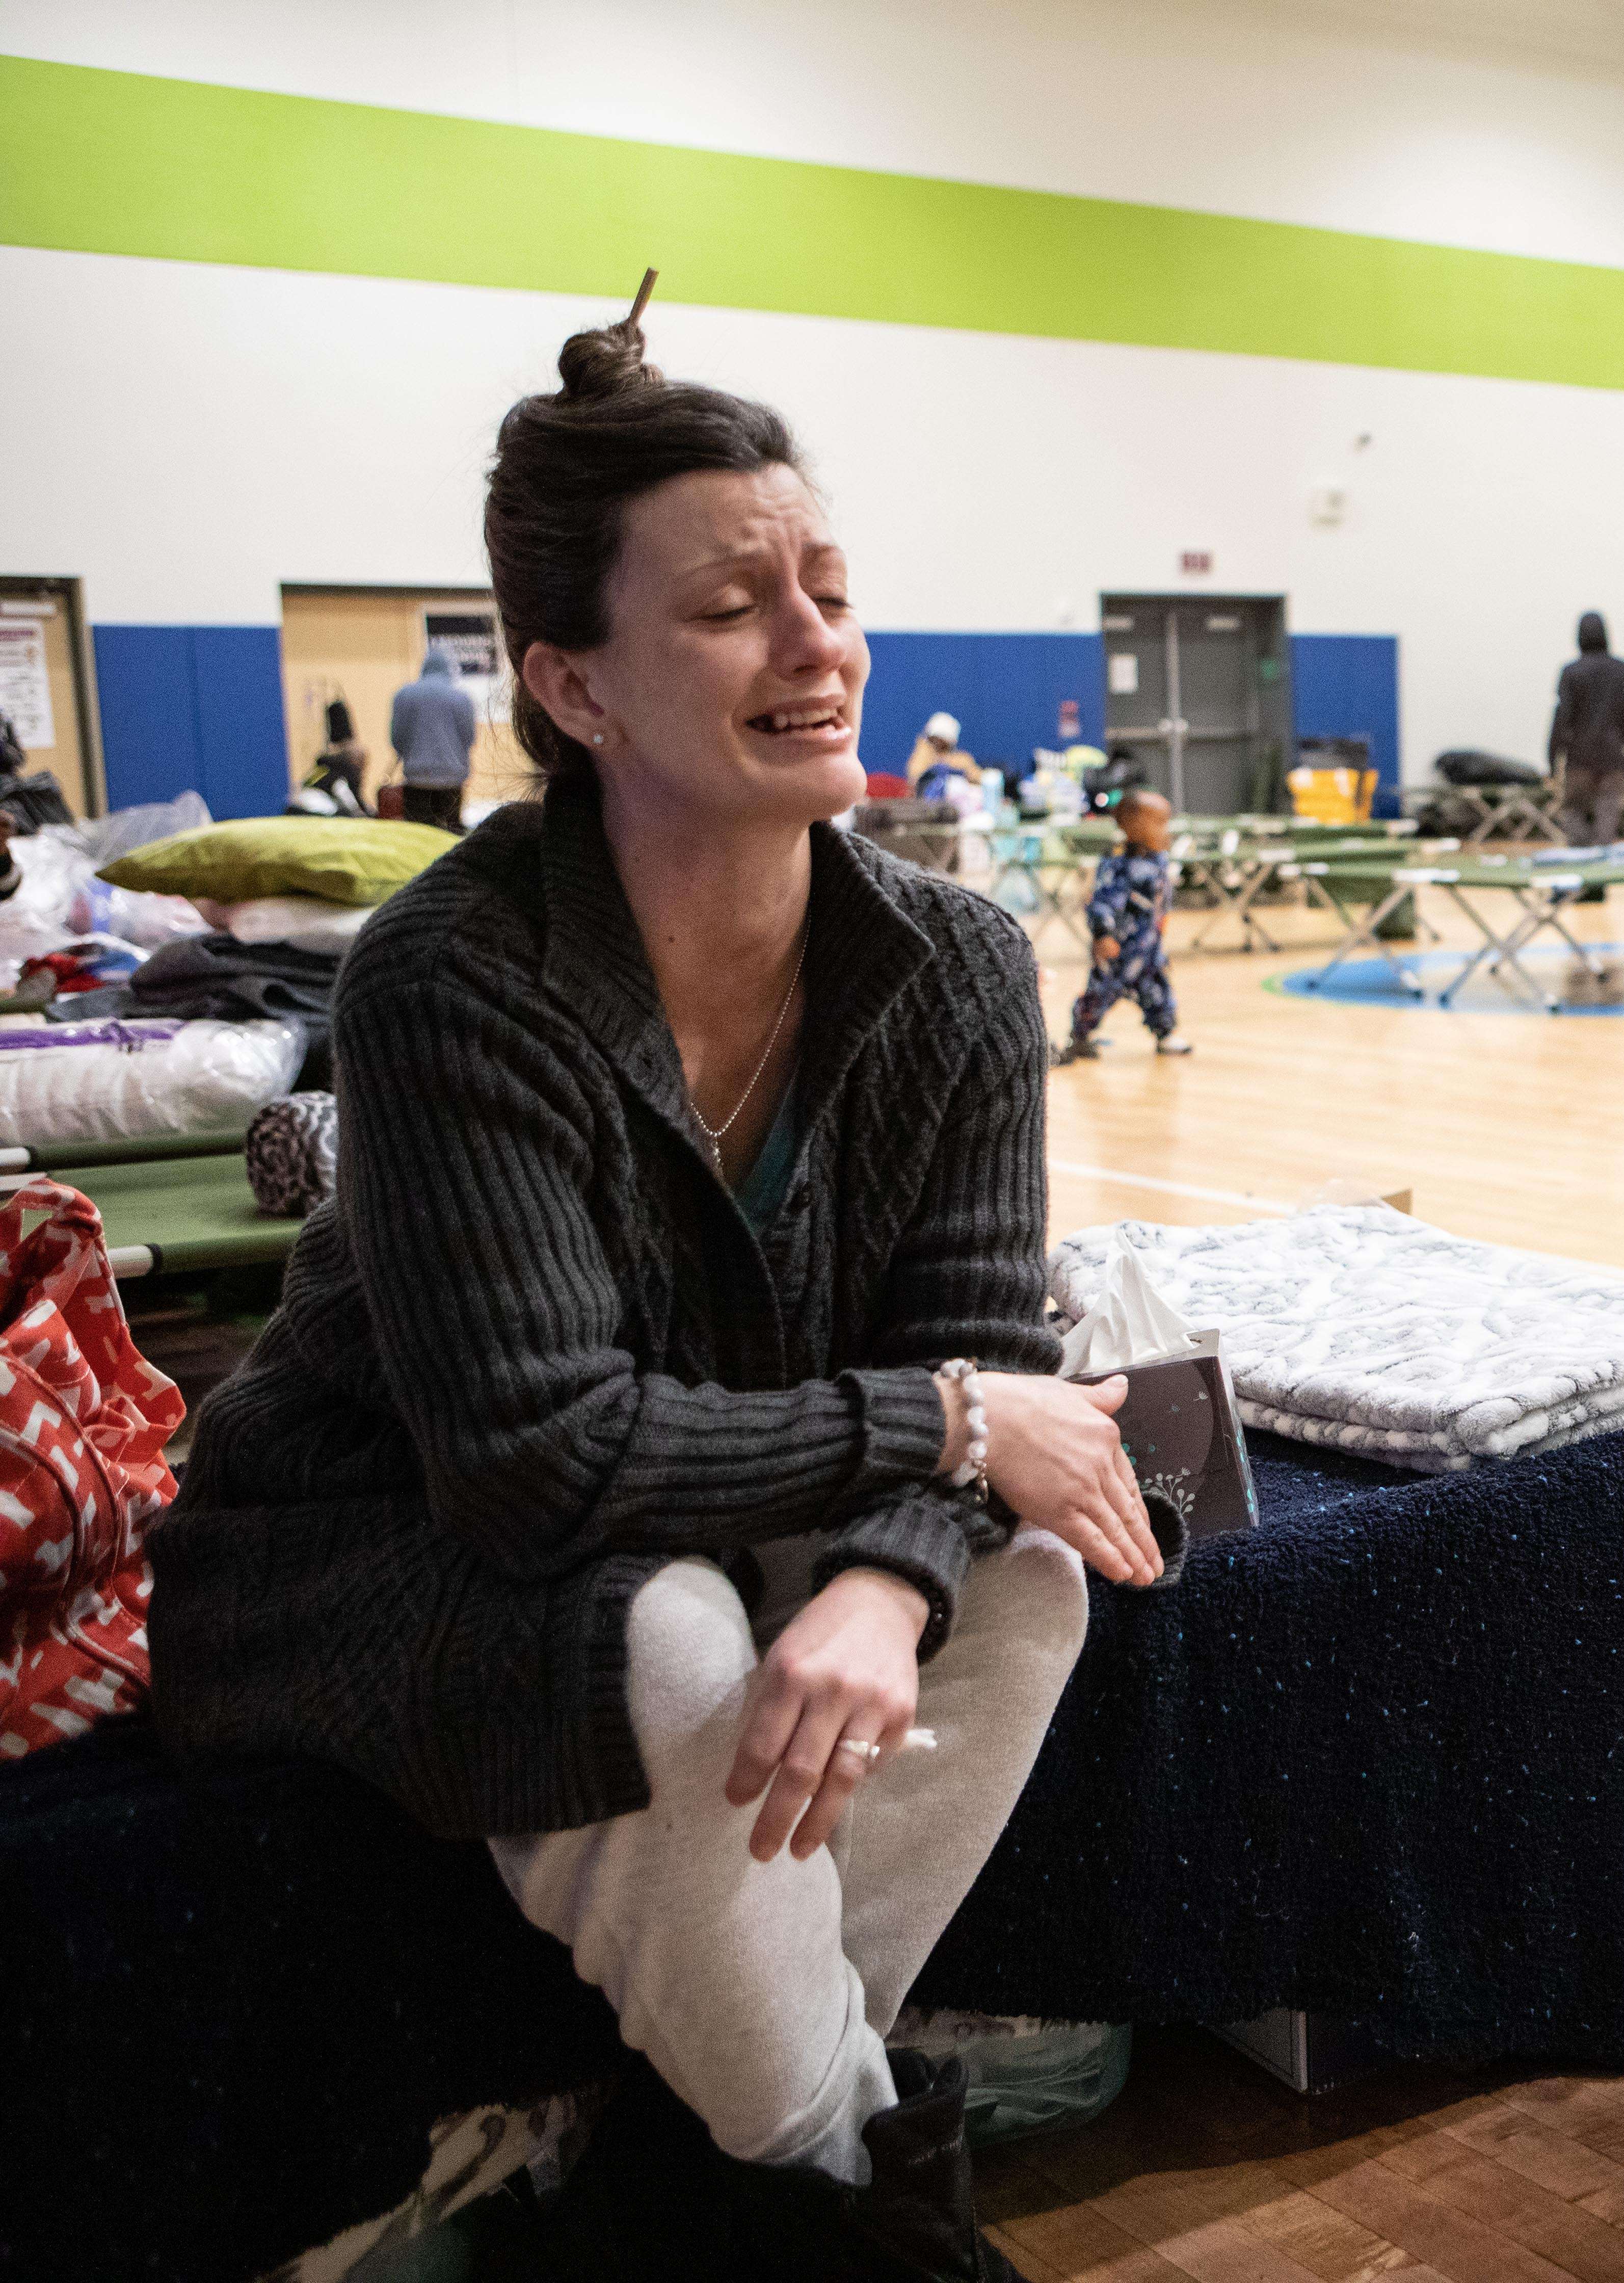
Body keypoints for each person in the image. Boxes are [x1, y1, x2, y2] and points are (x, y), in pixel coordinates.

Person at [148, 304, 1163, 2282]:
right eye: (732, 607)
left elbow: (975, 1328)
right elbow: (536, 1459)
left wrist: (890, 1561)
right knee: (678, 1635)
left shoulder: (952, 964)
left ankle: (722, 2183)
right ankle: (857, 2195)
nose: (818, 644)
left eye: (831, 590)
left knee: (1028, 1571)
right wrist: (947, 1427)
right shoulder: (450, 976)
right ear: (577, 688)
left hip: (720, 1506)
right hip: (375, 1550)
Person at [1062, 788, 1192, 1066]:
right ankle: (1080, 1035)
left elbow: (1161, 897)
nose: (1164, 831)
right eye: (1158, 823)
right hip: (1119, 950)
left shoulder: (1158, 860)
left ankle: (1165, 1034)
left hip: (1148, 949)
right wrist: (1102, 934)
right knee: (1099, 994)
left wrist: (1162, 923)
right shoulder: (1118, 864)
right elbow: (1102, 903)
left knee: (1158, 991)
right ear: (1132, 826)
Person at [1547, 612, 1624, 846]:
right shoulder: (1621, 670)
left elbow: (1562, 717)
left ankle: (1581, 863)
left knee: (1573, 812)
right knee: (1607, 817)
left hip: (1579, 757)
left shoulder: (1571, 672)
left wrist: (1552, 756)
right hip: (1613, 756)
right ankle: (1600, 870)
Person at [389, 643, 480, 832]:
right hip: (452, 780)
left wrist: (411, 756)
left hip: (417, 780)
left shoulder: (405, 695)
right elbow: (469, 738)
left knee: (419, 836)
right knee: (450, 836)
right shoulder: (461, 698)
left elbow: (397, 737)